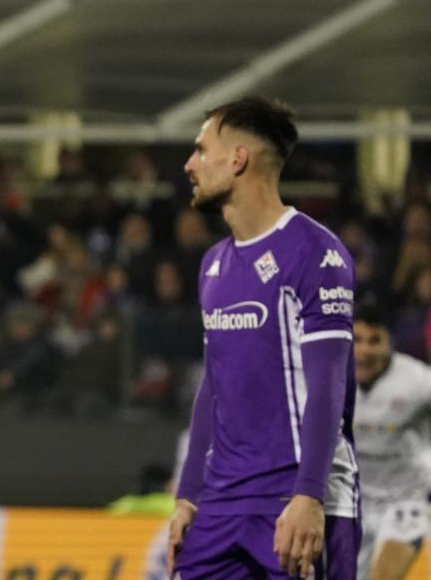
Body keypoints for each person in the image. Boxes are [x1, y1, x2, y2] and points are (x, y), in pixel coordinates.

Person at [167, 97, 360, 578]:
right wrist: (188, 495)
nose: (189, 165)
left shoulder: (316, 253)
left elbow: (330, 383)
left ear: (238, 159)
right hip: (222, 505)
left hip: (296, 500)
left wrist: (309, 494)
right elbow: (214, 386)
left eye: (200, 150)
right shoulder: (214, 265)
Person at [351, 304, 431, 580]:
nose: (364, 351)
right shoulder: (331, 378)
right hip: (351, 503)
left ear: (389, 343)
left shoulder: (417, 381)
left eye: (375, 341)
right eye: (357, 340)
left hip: (404, 501)